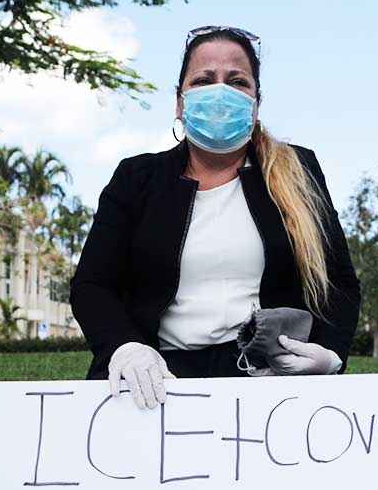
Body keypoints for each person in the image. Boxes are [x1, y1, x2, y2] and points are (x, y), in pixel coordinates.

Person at [70, 25, 361, 409]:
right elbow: (92, 285)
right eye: (204, 80)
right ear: (179, 102)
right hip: (159, 379)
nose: (220, 93)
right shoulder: (136, 178)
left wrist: (328, 353)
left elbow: (340, 282)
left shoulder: (298, 170)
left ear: (256, 102)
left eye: (237, 81)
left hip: (268, 380)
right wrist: (125, 348)